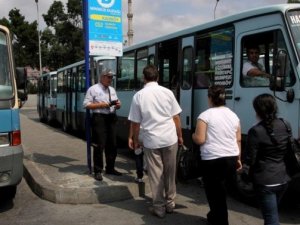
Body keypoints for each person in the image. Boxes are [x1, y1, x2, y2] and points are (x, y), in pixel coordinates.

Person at [128, 64, 183, 218]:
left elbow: (136, 122)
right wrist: (179, 136)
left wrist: (135, 139)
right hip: (170, 138)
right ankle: (171, 203)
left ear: (143, 78)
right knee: (170, 173)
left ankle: (159, 207)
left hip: (151, 140)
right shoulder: (168, 92)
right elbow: (176, 117)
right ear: (158, 77)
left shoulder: (138, 96)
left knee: (156, 174)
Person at [192, 85, 242, 225]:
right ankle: (214, 216)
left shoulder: (205, 115)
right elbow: (238, 139)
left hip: (212, 160)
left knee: (214, 193)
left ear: (210, 98)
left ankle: (219, 220)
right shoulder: (233, 115)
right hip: (231, 158)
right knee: (221, 192)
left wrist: (193, 136)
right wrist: (238, 158)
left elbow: (200, 139)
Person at [244, 93, 291, 225]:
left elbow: (250, 159)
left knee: (271, 218)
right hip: (283, 179)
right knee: (272, 214)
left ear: (257, 110)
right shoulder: (285, 124)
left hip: (265, 182)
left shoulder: (256, 130)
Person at [83, 68, 122, 181]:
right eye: (109, 77)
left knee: (113, 144)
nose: (111, 79)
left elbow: (116, 103)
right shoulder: (93, 89)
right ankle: (98, 170)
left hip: (111, 117)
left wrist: (118, 105)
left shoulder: (112, 89)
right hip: (99, 118)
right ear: (102, 77)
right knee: (99, 145)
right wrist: (101, 105)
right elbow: (86, 105)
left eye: (112, 77)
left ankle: (110, 168)